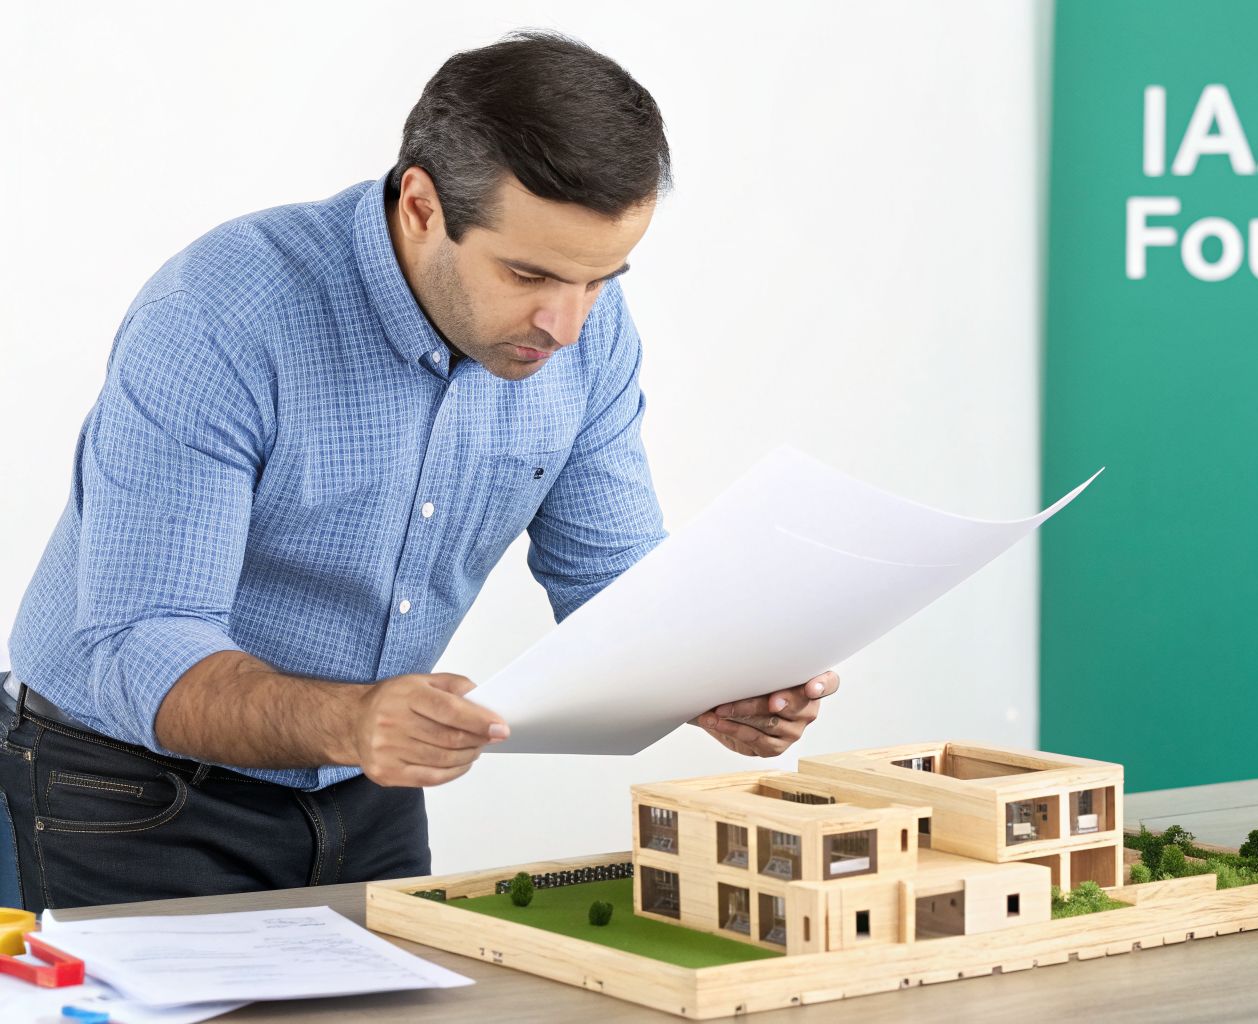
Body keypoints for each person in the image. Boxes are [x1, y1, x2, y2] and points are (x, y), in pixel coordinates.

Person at [0, 30, 837, 913]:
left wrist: (717, 681)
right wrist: (354, 720)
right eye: (529, 274)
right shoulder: (221, 316)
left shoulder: (587, 333)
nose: (565, 325)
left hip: (368, 789)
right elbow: (141, 643)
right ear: (421, 207)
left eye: (598, 279)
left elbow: (612, 582)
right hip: (122, 792)